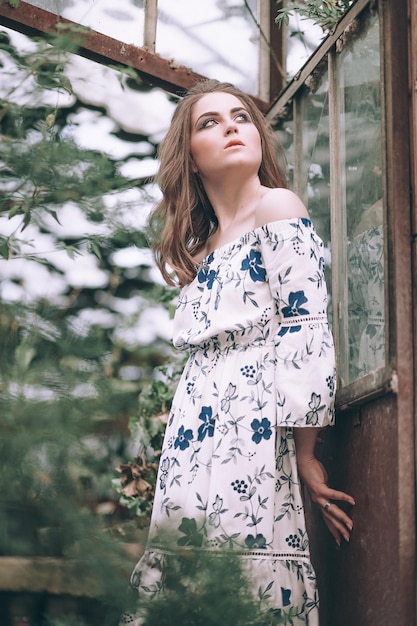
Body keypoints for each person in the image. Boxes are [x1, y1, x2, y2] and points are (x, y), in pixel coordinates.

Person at [121, 79, 355, 625]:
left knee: (244, 574)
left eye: (240, 117)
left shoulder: (276, 207)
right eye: (209, 122)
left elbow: (306, 327)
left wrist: (305, 452)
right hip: (192, 435)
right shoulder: (200, 250)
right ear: (192, 160)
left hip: (253, 425)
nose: (230, 126)